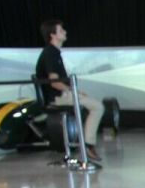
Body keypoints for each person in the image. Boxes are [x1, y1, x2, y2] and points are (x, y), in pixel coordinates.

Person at [35, 19, 103, 162]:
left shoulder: (54, 53)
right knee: (98, 107)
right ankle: (88, 145)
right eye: (61, 30)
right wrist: (73, 92)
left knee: (91, 104)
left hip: (61, 95)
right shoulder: (50, 53)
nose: (65, 32)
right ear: (53, 35)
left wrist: (76, 92)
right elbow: (55, 83)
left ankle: (86, 144)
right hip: (57, 97)